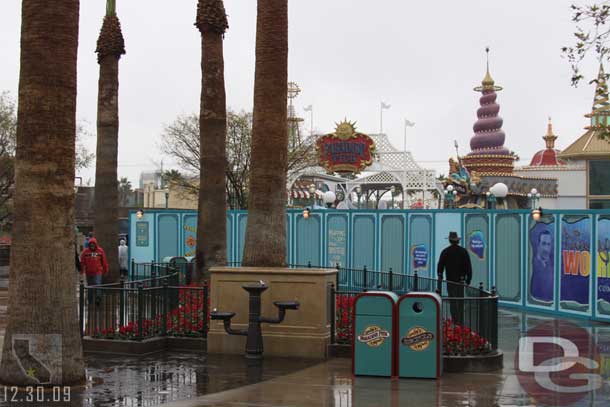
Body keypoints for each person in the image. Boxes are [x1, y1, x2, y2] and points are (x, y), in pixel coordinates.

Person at [437, 231, 472, 325]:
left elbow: (440, 266)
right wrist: (468, 280)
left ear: (449, 240)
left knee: (452, 301)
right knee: (460, 301)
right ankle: (460, 321)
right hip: (460, 281)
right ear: (457, 241)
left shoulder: (445, 251)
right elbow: (468, 267)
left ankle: (455, 320)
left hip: (450, 281)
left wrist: (440, 276)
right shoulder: (463, 251)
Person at [80, 238, 108, 303]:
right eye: (91, 245)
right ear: (89, 245)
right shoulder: (85, 252)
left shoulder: (100, 251)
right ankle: (90, 299)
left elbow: (104, 261)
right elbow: (82, 262)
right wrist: (82, 270)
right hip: (89, 272)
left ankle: (98, 297)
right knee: (90, 285)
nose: (92, 246)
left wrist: (105, 269)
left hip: (98, 271)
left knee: (98, 283)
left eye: (93, 244)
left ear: (95, 244)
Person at [530, 230, 554, 303]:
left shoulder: (552, 264)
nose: (546, 249)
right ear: (538, 245)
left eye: (548, 244)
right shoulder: (531, 264)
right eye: (543, 244)